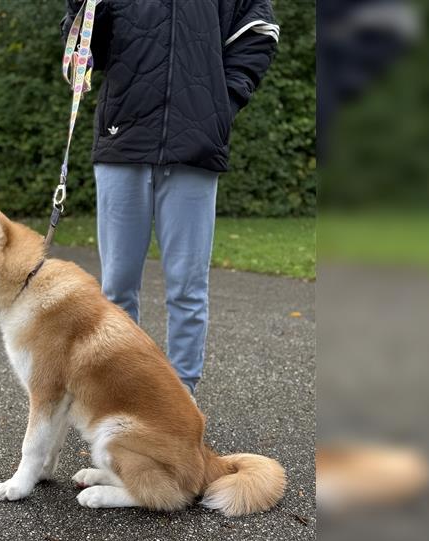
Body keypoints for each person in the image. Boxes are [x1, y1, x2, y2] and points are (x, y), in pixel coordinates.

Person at [61, 0, 279, 395]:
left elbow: (259, 34)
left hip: (195, 148)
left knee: (187, 288)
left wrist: (221, 105)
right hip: (122, 142)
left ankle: (182, 399)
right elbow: (86, 52)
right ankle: (121, 397)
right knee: (118, 288)